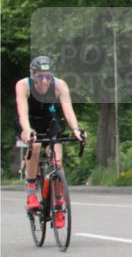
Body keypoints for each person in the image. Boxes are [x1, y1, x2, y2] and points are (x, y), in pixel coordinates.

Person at [14, 56, 85, 226]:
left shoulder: (60, 85)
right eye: (40, 76)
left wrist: (76, 129)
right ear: (33, 75)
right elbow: (22, 113)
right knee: (36, 145)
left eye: (48, 76)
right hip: (28, 121)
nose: (45, 80)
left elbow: (68, 110)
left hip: (49, 120)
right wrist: (28, 131)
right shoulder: (23, 85)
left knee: (58, 161)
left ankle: (59, 203)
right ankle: (31, 192)